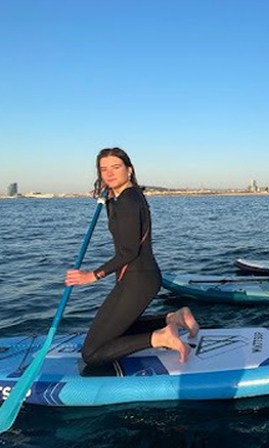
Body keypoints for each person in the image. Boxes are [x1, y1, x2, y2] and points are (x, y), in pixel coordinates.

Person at [65, 147, 199, 366]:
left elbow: (128, 251)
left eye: (115, 167)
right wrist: (108, 201)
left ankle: (161, 337)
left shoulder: (127, 201)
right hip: (139, 277)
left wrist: (93, 275)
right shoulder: (129, 196)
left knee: (92, 353)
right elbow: (122, 233)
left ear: (129, 169)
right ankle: (174, 319)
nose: (109, 173)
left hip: (137, 279)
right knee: (118, 330)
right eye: (103, 169)